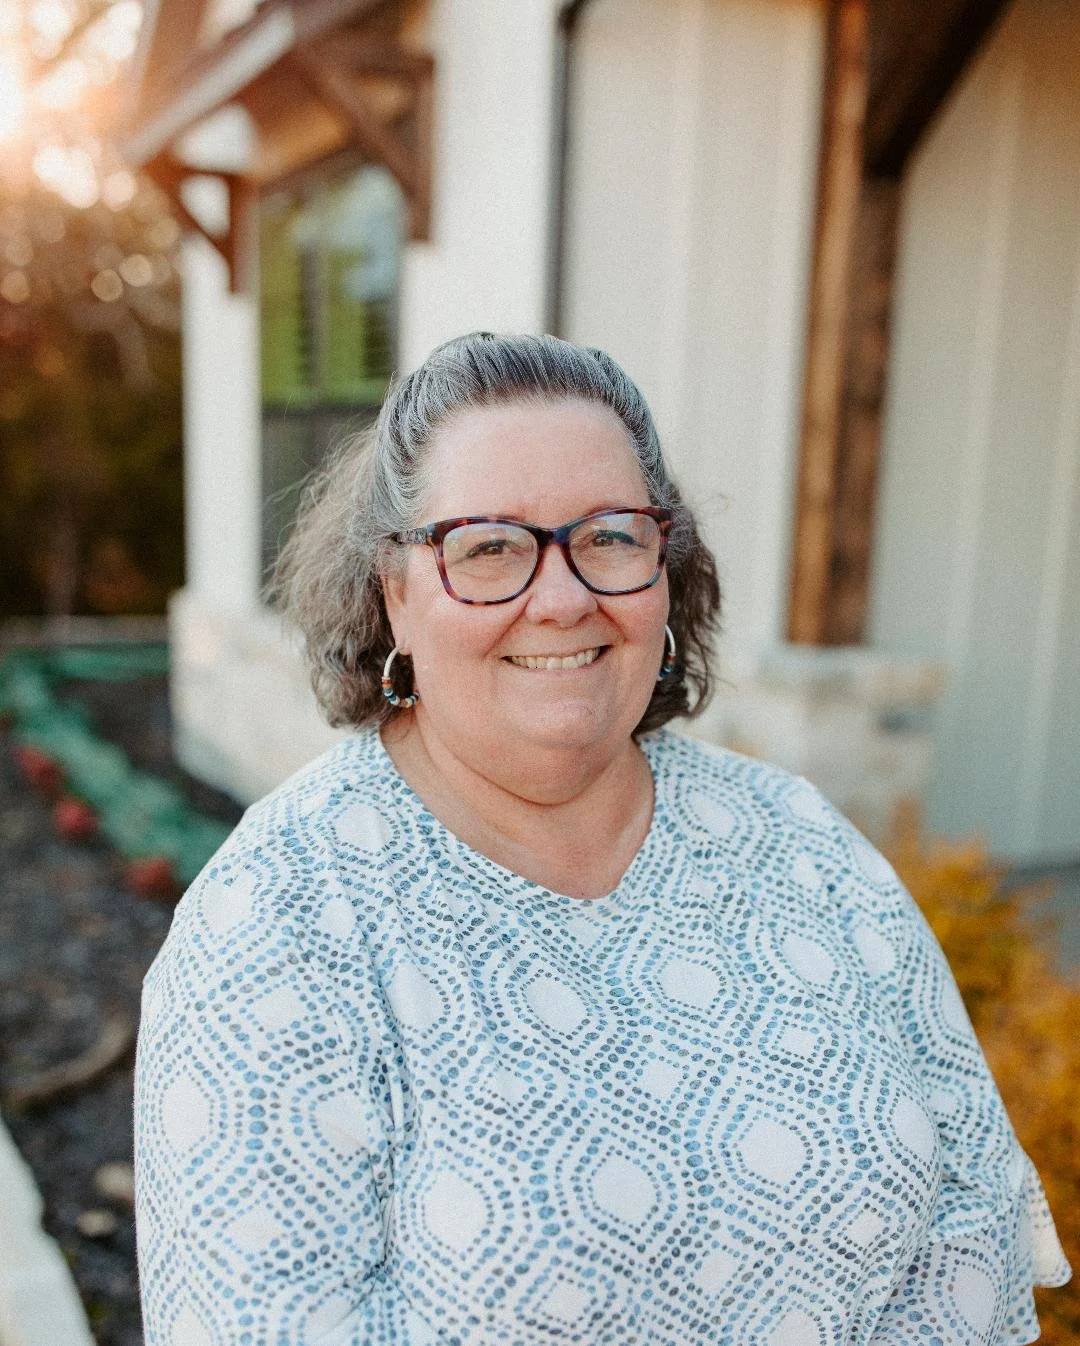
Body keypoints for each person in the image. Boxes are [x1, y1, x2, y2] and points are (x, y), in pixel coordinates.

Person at [135, 332, 1069, 1345]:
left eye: (610, 536)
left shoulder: (802, 843)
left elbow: (968, 1212)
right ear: (394, 593)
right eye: (488, 546)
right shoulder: (275, 923)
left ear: (665, 566)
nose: (563, 596)